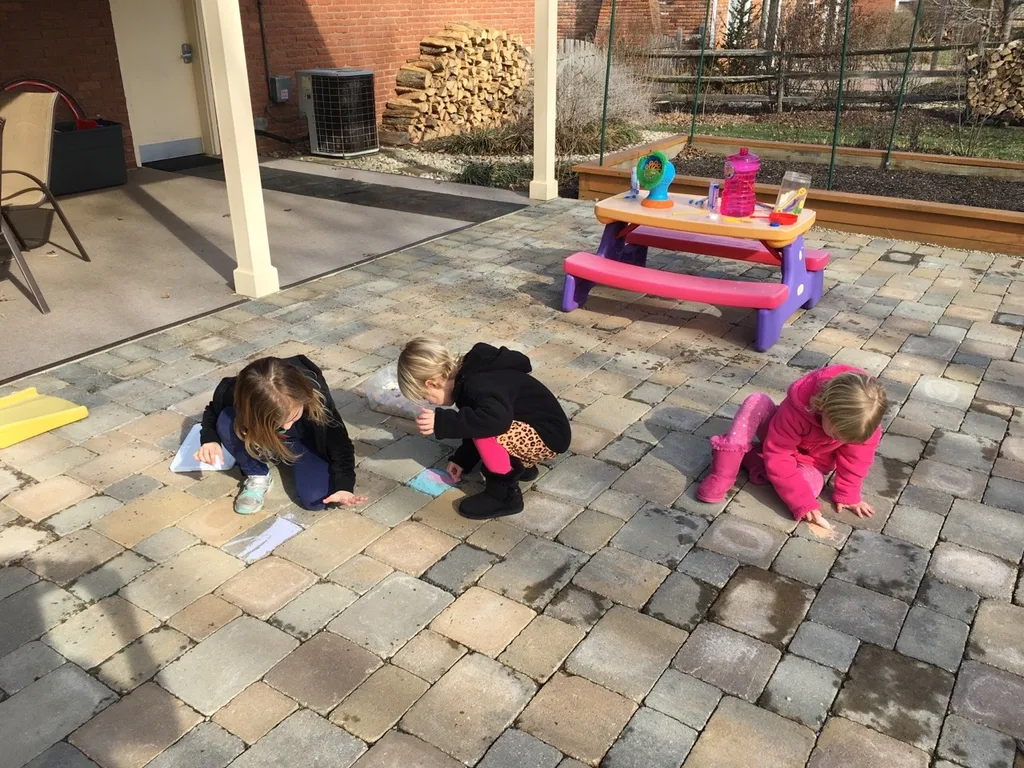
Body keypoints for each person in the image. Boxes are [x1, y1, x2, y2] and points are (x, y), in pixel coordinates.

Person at [397, 338, 571, 519]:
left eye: (425, 397)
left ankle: (504, 496)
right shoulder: (471, 374)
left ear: (432, 383)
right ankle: (521, 466)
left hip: (547, 438)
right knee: (479, 422)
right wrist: (463, 459)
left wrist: (442, 421)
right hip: (541, 429)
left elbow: (494, 423)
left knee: (486, 431)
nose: (429, 402)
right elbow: (475, 421)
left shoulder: (476, 385)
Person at [696, 365, 887, 530]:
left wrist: (848, 494)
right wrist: (795, 493)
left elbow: (856, 460)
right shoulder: (799, 406)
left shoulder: (864, 423)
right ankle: (723, 473)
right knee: (756, 402)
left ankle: (754, 459)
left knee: (809, 489)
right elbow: (779, 453)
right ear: (823, 408)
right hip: (778, 439)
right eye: (837, 435)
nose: (841, 440)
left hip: (812, 463)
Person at [195, 356, 366, 515]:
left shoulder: (317, 400)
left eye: (293, 417)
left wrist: (344, 486)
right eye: (276, 422)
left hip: (301, 443)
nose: (286, 427)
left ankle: (285, 453)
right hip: (258, 436)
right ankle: (257, 474)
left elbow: (340, 445)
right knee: (226, 419)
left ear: (304, 399)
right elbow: (212, 412)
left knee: (317, 499)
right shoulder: (232, 392)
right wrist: (210, 440)